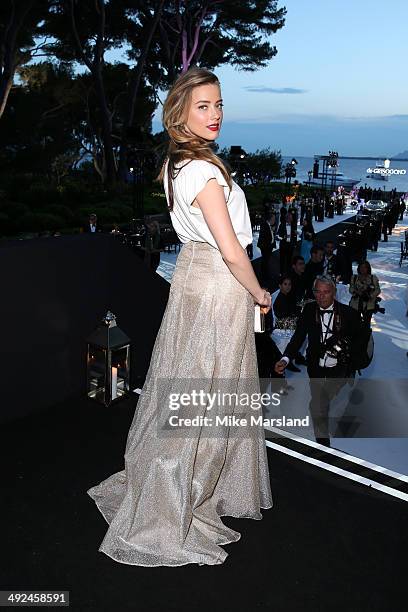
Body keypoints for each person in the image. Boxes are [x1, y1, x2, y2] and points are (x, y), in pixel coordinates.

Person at [86, 67, 273, 567]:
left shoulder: (178, 164)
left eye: (219, 105)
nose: (214, 115)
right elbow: (233, 251)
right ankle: (170, 509)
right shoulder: (204, 172)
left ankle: (180, 488)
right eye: (203, 107)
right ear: (180, 114)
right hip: (218, 286)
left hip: (193, 279)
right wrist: (259, 292)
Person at [274, 275, 365, 446]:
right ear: (314, 292)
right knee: (318, 403)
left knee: (318, 404)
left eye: (326, 292)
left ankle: (323, 447)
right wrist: (285, 359)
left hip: (339, 371)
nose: (321, 296)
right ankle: (323, 443)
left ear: (334, 292)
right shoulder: (308, 310)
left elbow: (360, 342)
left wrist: (350, 363)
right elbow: (298, 338)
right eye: (318, 292)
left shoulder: (349, 314)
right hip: (315, 368)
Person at [349, 260, 381, 328]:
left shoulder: (373, 278)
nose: (363, 269)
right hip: (355, 304)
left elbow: (378, 290)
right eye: (361, 267)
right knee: (354, 323)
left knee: (366, 324)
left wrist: (369, 296)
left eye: (365, 267)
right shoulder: (354, 277)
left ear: (368, 268)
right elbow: (351, 289)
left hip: (368, 305)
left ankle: (365, 336)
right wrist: (356, 292)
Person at [257, 211, 275, 289]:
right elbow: (264, 238)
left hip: (268, 247)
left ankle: (265, 275)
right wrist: (269, 245)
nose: (274, 220)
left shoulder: (268, 225)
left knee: (266, 261)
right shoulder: (265, 225)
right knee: (265, 261)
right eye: (273, 219)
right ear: (270, 219)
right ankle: (264, 277)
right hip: (265, 247)